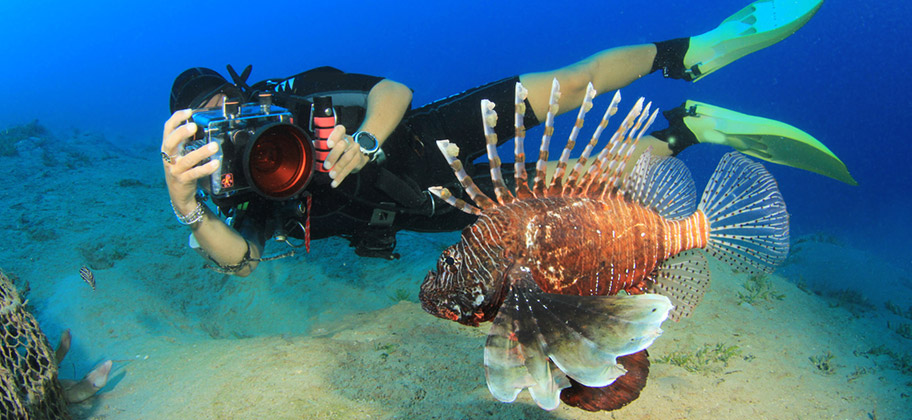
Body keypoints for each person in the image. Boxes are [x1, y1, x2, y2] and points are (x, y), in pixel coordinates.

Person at [161, 0, 847, 275]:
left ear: (245, 94)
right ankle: (686, 128)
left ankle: (686, 52)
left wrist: (366, 138)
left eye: (230, 111)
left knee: (565, 84)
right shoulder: (239, 191)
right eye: (208, 130)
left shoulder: (296, 96)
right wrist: (187, 204)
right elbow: (241, 263)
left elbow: (391, 90)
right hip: (429, 212)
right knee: (582, 178)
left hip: (425, 135)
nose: (235, 134)